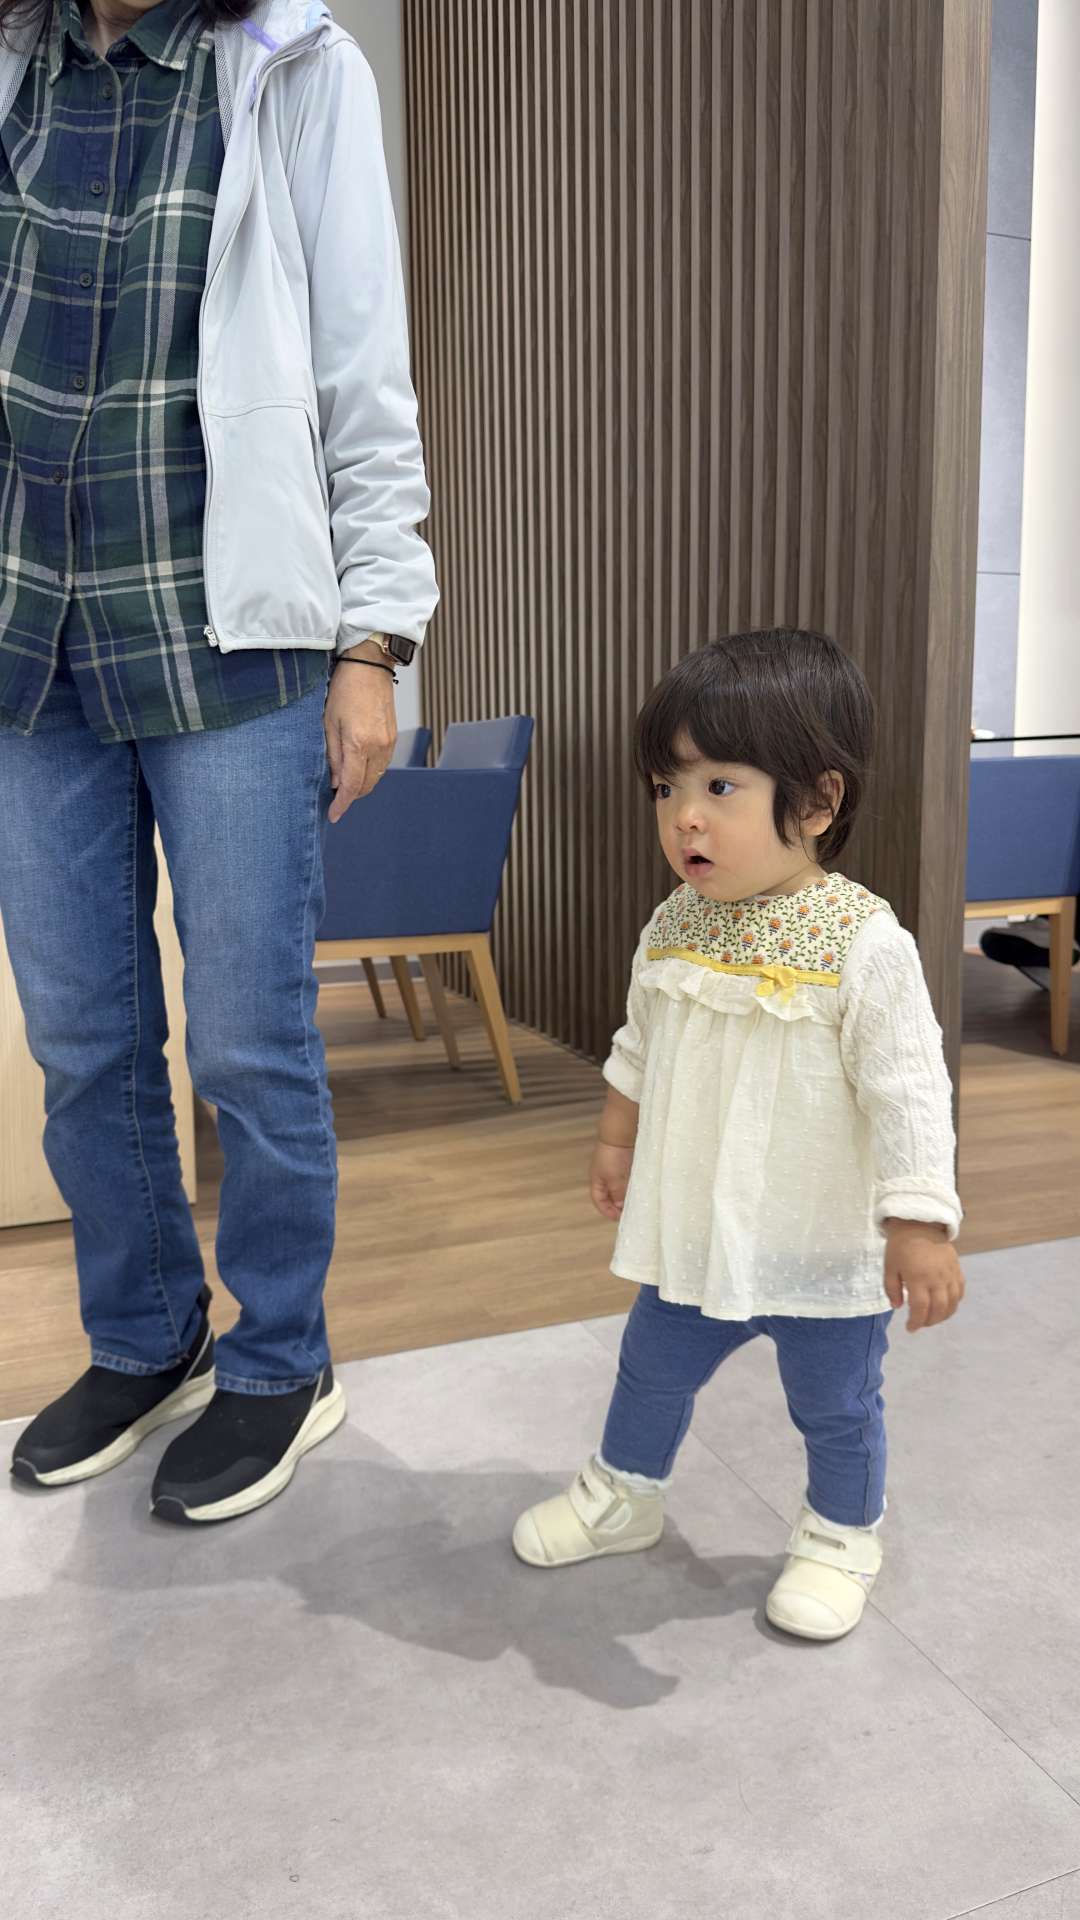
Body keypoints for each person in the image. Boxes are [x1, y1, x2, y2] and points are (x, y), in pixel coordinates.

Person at [0, 0, 437, 1522]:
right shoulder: (17, 68)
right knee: (84, 1040)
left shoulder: (297, 67)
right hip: (31, 648)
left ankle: (282, 1362)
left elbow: (362, 371)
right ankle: (147, 1337)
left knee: (250, 1042)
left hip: (236, 644)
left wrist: (374, 642)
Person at [513, 632, 965, 1641]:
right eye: (666, 786)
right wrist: (615, 1143)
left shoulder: (862, 944)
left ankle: (841, 1535)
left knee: (835, 1403)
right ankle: (624, 1492)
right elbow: (639, 1045)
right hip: (695, 1234)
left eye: (720, 785)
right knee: (649, 1368)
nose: (685, 815)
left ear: (817, 802)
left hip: (819, 1243)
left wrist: (918, 1222)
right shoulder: (674, 925)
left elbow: (909, 1092)